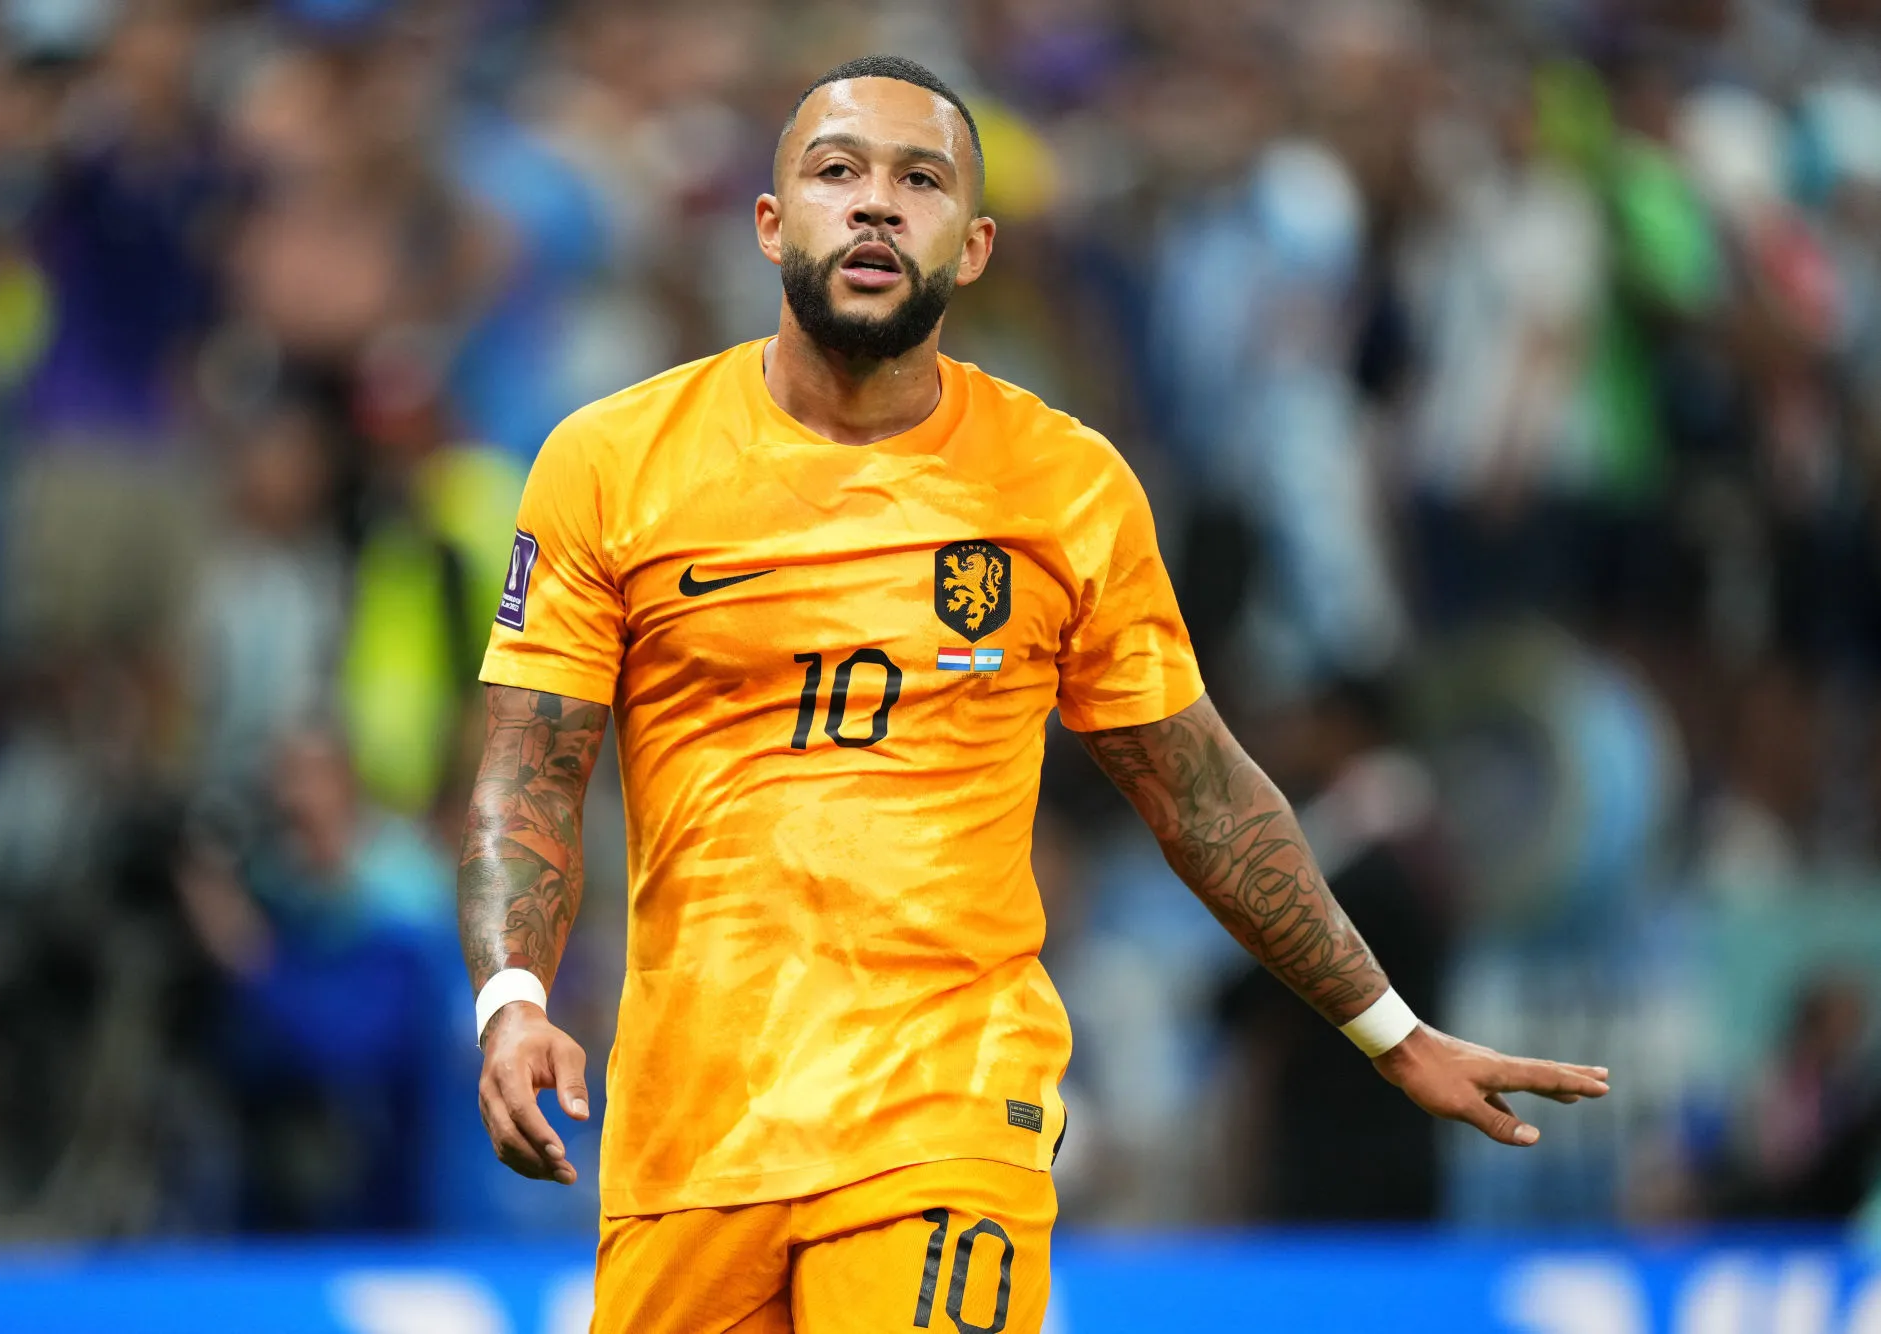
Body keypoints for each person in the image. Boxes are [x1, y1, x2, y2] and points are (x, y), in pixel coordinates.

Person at [459, 55, 1610, 1334]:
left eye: (921, 180)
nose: (877, 203)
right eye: (838, 172)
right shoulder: (611, 465)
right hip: (690, 1139)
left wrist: (1390, 1027)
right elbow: (529, 770)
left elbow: (1201, 793)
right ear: (772, 223)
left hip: (947, 1113)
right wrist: (513, 999)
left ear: (975, 246)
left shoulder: (1065, 487)